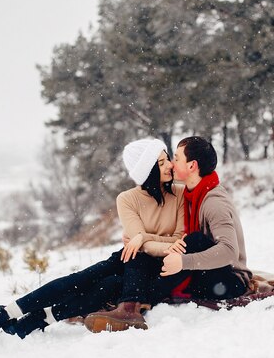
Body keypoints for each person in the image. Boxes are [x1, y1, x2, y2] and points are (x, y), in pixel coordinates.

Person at [0, 138, 185, 343]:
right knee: (80, 279)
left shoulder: (180, 194)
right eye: (162, 162)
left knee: (108, 286)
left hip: (157, 266)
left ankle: (38, 319)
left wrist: (144, 237)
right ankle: (4, 315)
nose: (170, 166)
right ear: (147, 170)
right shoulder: (127, 199)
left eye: (167, 160)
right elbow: (140, 245)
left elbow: (172, 239)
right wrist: (147, 241)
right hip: (130, 257)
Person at [85, 136, 252, 332]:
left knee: (194, 240)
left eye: (177, 158)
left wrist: (183, 262)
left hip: (229, 279)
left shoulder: (213, 201)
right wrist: (142, 237)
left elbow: (229, 251)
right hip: (204, 271)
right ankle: (126, 305)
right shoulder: (191, 193)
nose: (172, 164)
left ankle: (134, 304)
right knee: (126, 269)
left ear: (192, 166)